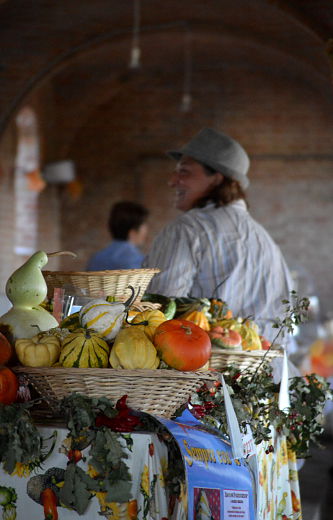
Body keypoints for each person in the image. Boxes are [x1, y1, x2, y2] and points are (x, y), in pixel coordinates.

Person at [143, 128, 294, 342]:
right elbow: (286, 326)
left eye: (184, 171)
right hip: (272, 372)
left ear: (216, 178)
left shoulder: (186, 230)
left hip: (207, 371)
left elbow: (158, 317)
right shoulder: (264, 239)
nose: (172, 180)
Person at [87, 201, 149, 270]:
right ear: (133, 232)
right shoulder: (137, 261)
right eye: (144, 225)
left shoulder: (96, 259)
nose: (146, 230)